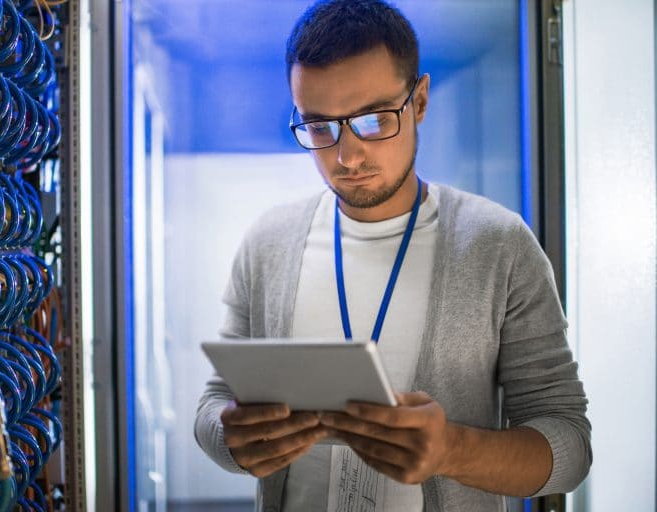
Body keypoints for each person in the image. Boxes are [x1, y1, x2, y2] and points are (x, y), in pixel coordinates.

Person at [194, 0, 591, 510]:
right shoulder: (268, 243)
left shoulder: (499, 244)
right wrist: (231, 441)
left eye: (374, 120)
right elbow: (214, 403)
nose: (347, 156)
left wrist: (453, 448)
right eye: (319, 128)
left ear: (419, 101)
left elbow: (571, 446)